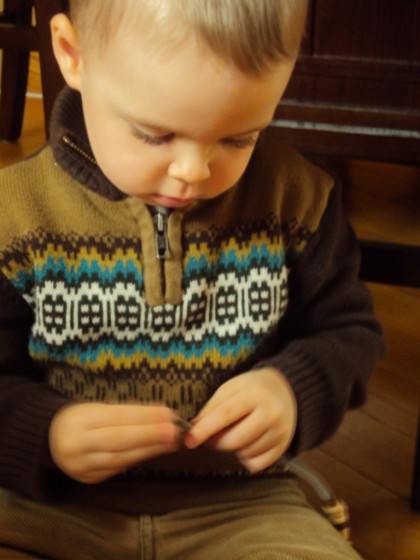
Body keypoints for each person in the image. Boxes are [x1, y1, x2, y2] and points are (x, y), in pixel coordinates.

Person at [0, 1, 384, 558]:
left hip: (247, 509)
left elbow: (349, 333)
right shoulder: (14, 217)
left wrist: (292, 389)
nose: (193, 172)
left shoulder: (298, 202)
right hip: (45, 507)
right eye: (154, 135)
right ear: (72, 56)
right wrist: (46, 434)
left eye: (239, 138)